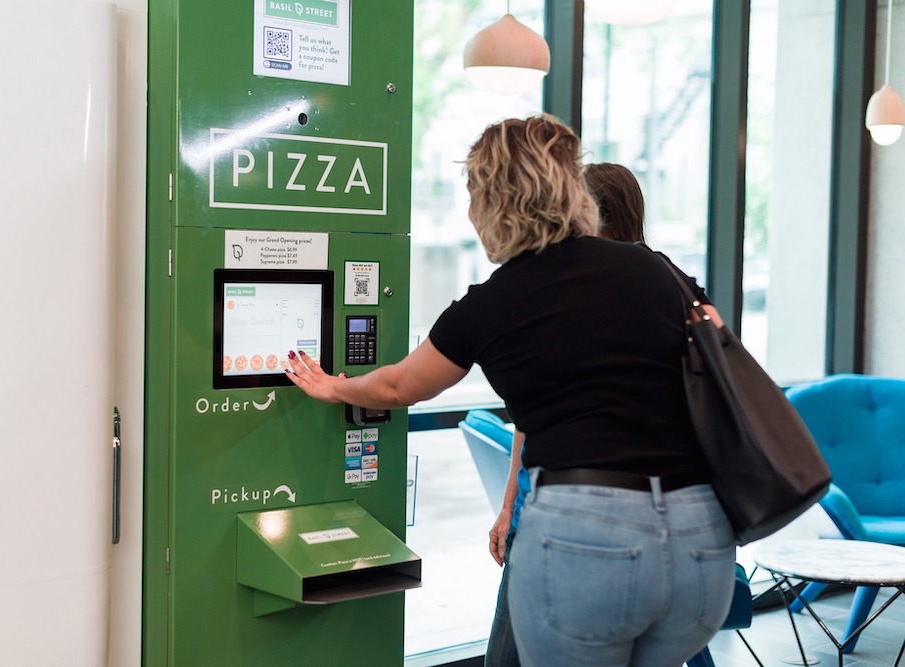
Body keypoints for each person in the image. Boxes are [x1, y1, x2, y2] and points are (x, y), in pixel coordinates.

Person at [285, 113, 735, 667]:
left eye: (473, 194)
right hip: (701, 539)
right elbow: (721, 358)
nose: (469, 212)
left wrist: (335, 387)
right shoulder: (658, 270)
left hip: (587, 537)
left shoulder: (497, 301)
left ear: (496, 203)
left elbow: (402, 383)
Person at [484, 161, 649, 667]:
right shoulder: (575, 286)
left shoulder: (645, 289)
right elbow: (532, 411)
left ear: (602, 217)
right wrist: (510, 502)